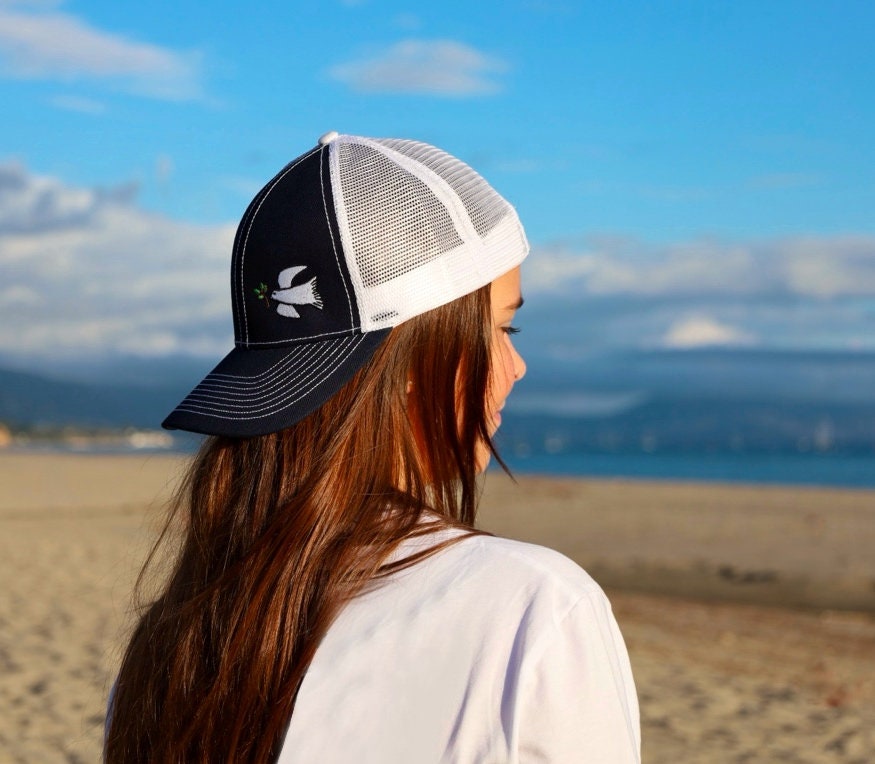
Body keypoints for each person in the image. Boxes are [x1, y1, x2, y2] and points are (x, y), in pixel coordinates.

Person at [104, 132, 641, 762]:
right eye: (501, 327)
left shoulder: (175, 644)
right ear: (412, 356)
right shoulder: (532, 613)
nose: (516, 366)